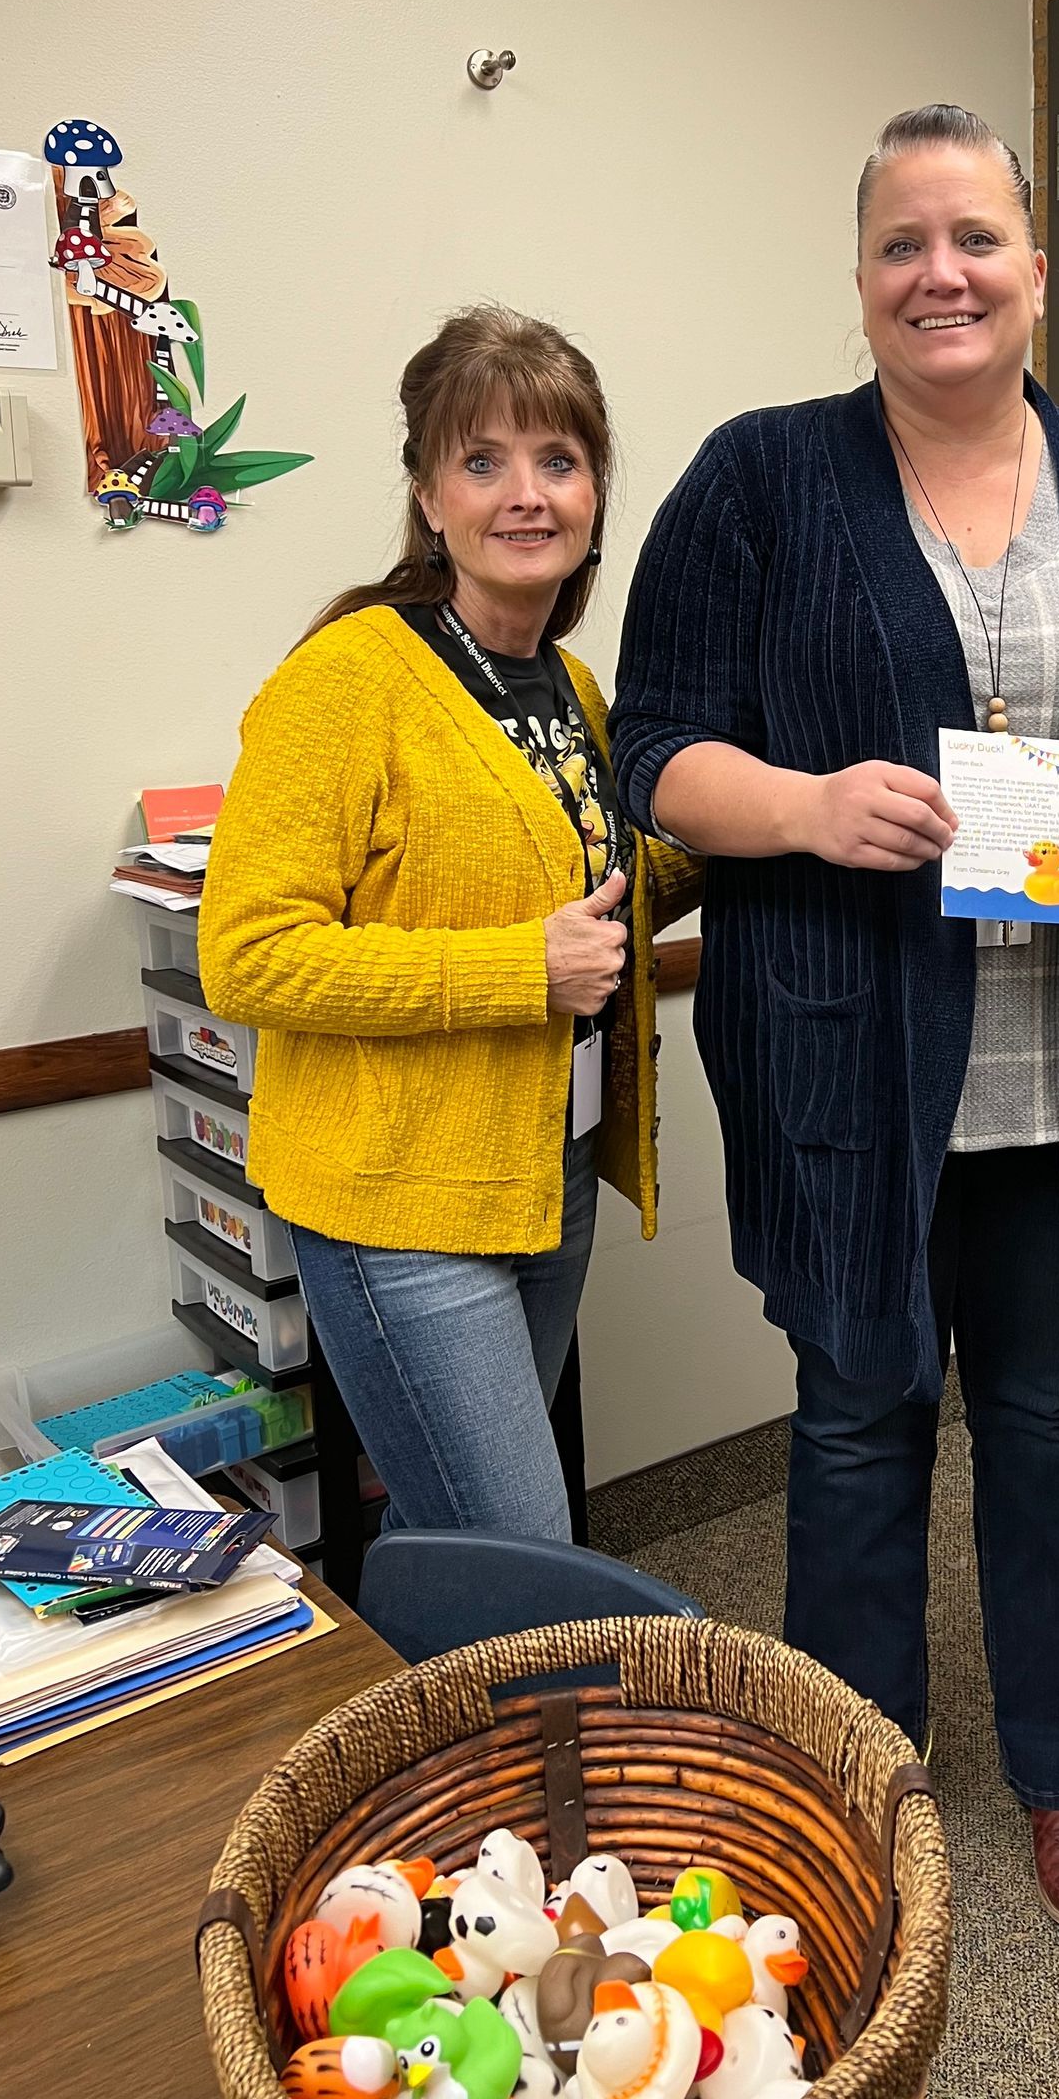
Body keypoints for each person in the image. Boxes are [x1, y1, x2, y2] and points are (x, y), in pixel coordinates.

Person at [611, 104, 1059, 1931]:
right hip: (849, 1061)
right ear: (863, 280)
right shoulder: (761, 479)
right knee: (858, 1414)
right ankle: (856, 1769)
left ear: (1036, 272)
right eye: (904, 245)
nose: (941, 274)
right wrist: (809, 807)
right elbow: (655, 749)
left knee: (1051, 1418)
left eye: (976, 239)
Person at [199, 308, 700, 1544]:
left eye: (559, 461)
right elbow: (247, 952)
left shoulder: (573, 685)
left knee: (466, 1543)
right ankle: (511, 1735)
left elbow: (605, 886)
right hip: (398, 1205)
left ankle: (446, 1733)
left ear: (594, 493)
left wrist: (763, 811)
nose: (525, 495)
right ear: (429, 496)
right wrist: (513, 967)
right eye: (483, 462)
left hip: (546, 1181)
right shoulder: (349, 677)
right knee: (524, 1558)